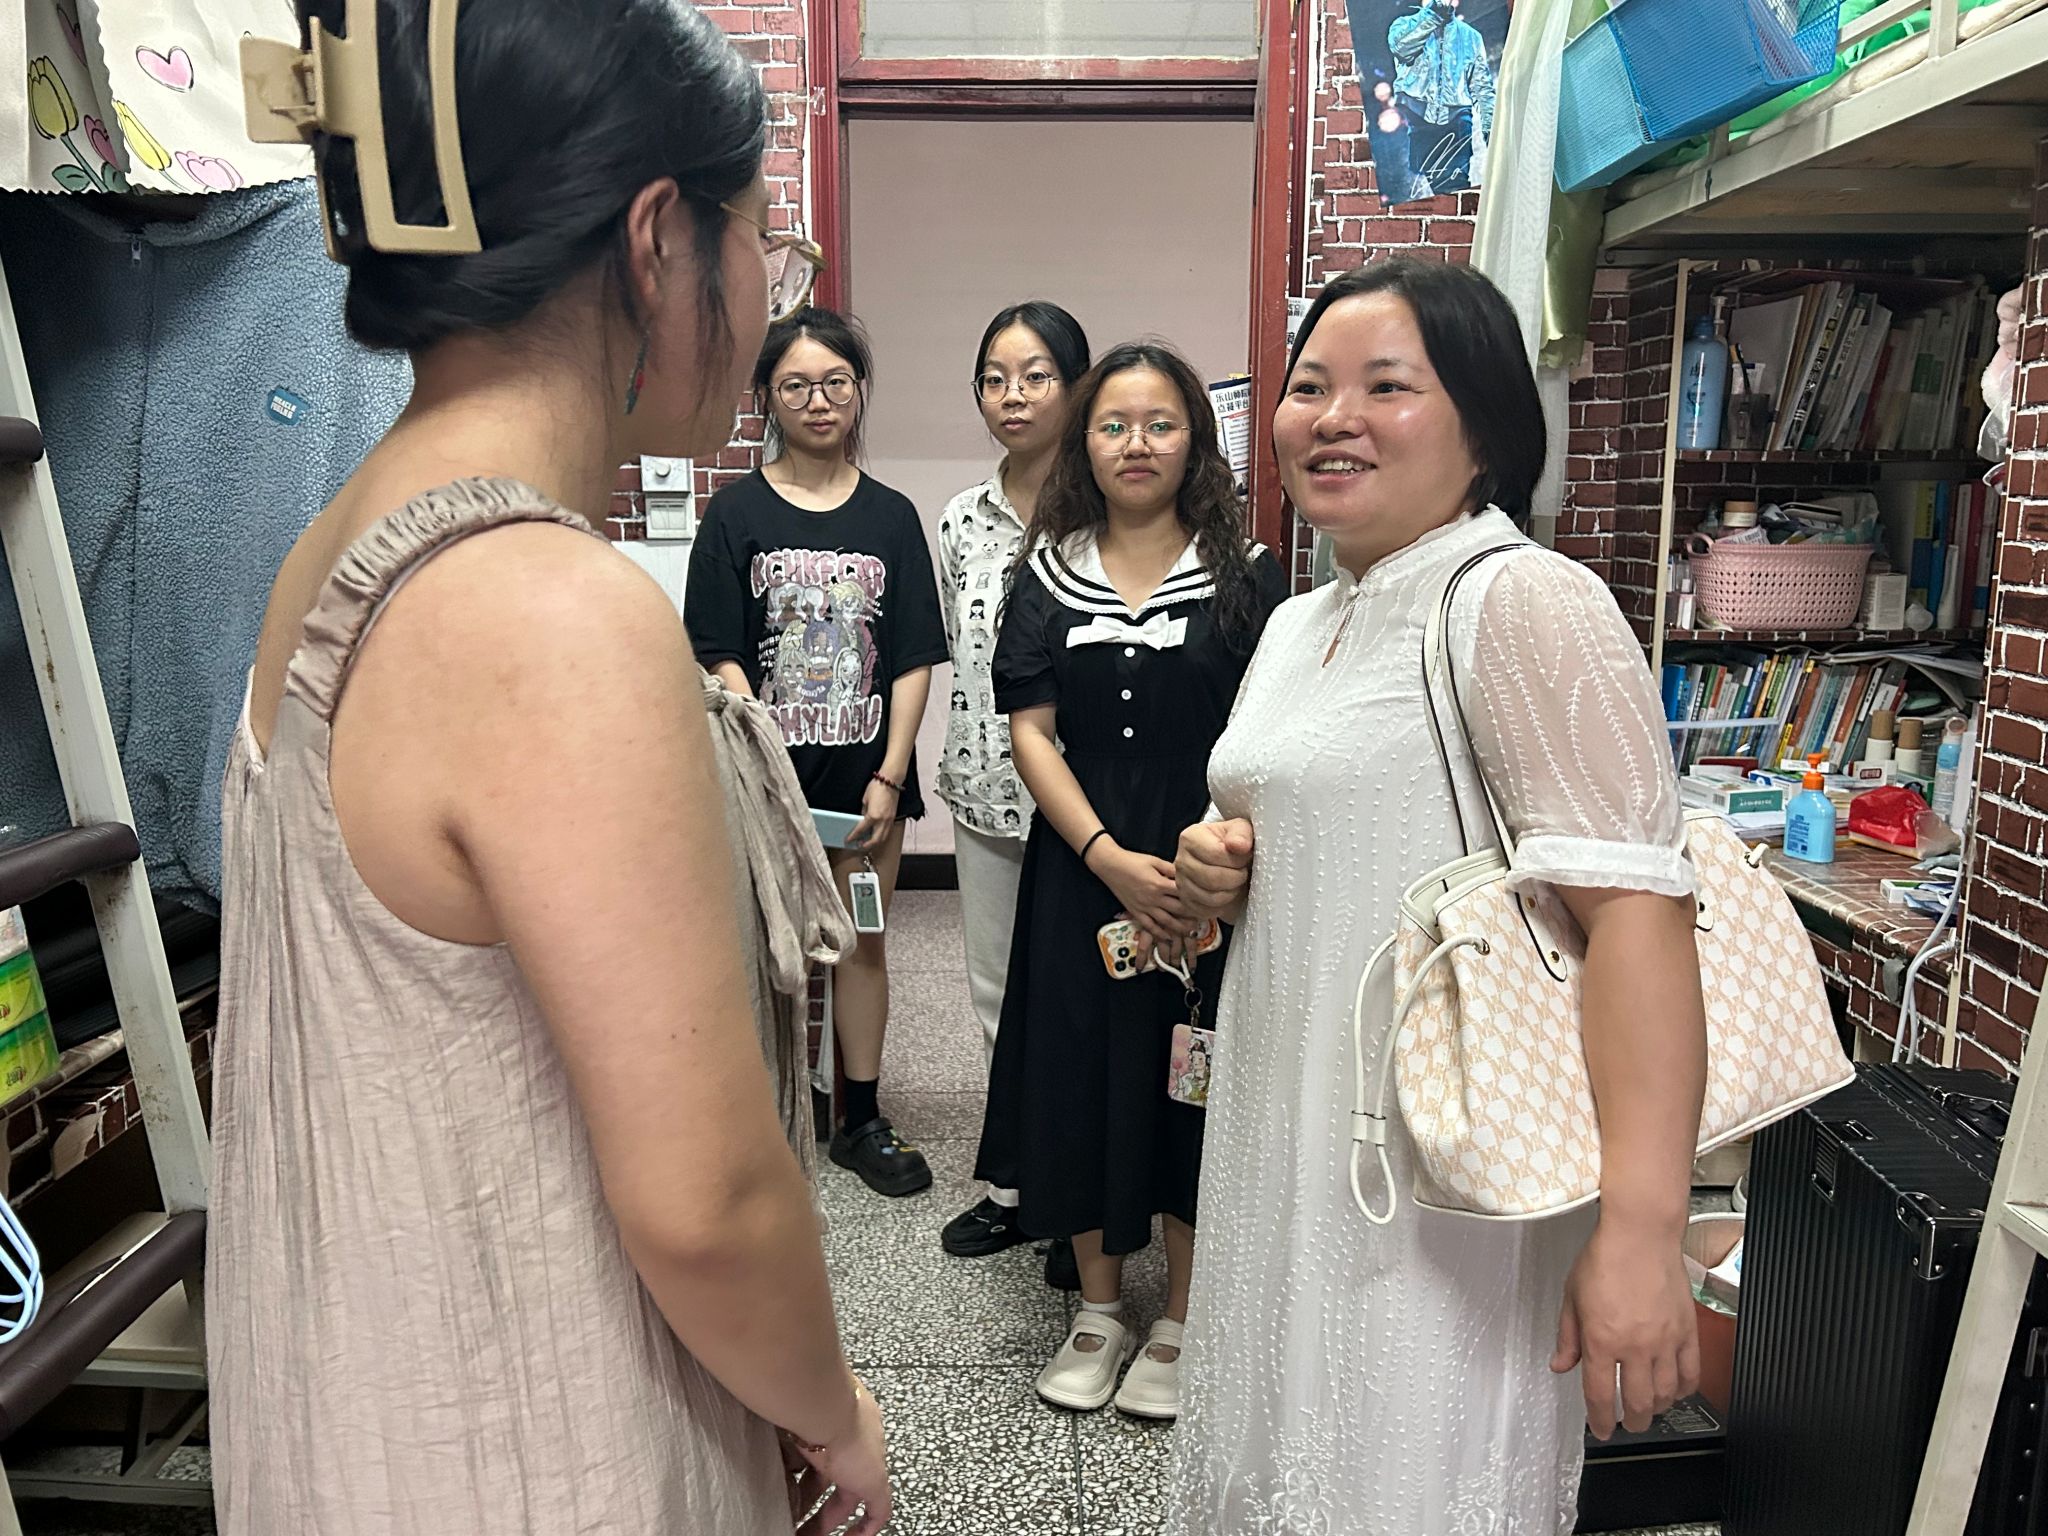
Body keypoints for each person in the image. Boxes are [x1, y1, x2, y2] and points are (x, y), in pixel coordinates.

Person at [216, 3, 888, 1533]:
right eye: (762, 246)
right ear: (656, 241)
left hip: (372, 1400)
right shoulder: (546, 609)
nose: (767, 298)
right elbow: (707, 1201)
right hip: (532, 1437)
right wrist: (832, 1408)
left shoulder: (336, 547)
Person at [1167, 258, 1707, 1532]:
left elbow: (1635, 918)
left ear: (1484, 426)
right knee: (1280, 1436)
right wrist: (1219, 866)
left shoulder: (1519, 599)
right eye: (1309, 387)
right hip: (1285, 1124)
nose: (1332, 418)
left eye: (1386, 387)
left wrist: (1641, 1234)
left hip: (1437, 1163)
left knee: (1405, 1463)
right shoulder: (1299, 620)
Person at [974, 342, 1288, 1420]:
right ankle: (1099, 1309)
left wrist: (1206, 864)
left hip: (1212, 870)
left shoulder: (1249, 573)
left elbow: (1267, 733)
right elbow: (1031, 731)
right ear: (1085, 441)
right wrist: (1107, 857)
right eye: (1113, 425)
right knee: (1079, 1072)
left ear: (1196, 440)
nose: (1136, 444)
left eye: (1160, 424)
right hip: (1081, 868)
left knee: (1191, 1076)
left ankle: (1183, 1319)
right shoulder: (1045, 570)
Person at [686, 306, 949, 1198]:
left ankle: (860, 1119)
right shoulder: (735, 513)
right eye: (795, 385)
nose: (818, 400)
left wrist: (891, 775)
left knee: (864, 945)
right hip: (764, 787)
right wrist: (764, 769)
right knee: (765, 950)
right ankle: (762, 1114)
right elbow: (718, 649)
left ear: (859, 391)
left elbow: (912, 657)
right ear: (766, 397)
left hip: (867, 789)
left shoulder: (891, 516)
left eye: (835, 382)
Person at [933, 301, 1091, 1293]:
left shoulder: (1112, 510)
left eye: (1035, 375)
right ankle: (1017, 1186)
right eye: (994, 378)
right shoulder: (959, 519)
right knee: (998, 996)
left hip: (1088, 803)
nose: (1013, 395)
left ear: (1075, 386)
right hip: (986, 787)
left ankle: (1081, 1202)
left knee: (1081, 998)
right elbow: (964, 649)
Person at [1386, 0, 1497, 192]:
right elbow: (1401, 48)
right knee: (1434, 188)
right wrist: (1433, 12)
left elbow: (1482, 88)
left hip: (1458, 121)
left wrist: (1492, 133)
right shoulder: (1403, 25)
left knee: (1456, 184)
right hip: (1419, 121)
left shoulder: (1471, 36)